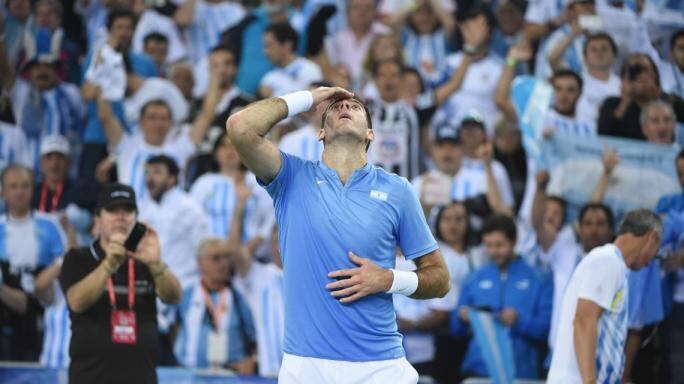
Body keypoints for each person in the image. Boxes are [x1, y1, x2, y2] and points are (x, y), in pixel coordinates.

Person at [226, 86, 450, 382]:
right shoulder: (290, 176)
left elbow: (440, 280)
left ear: (370, 134)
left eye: (355, 107)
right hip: (305, 366)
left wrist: (388, 279)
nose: (345, 107)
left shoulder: (398, 190)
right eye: (335, 108)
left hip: (380, 367)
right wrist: (311, 97)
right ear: (320, 133)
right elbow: (240, 127)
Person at [59, 183, 182, 384]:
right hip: (91, 378)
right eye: (113, 210)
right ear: (98, 218)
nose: (121, 216)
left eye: (128, 209)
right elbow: (77, 301)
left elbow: (174, 296)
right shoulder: (78, 258)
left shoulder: (145, 259)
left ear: (136, 217)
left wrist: (156, 264)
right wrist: (109, 264)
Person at [547, 209, 663, 383]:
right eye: (656, 250)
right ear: (651, 237)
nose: (649, 262)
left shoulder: (615, 265)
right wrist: (590, 381)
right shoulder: (607, 260)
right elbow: (584, 320)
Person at [450, 214, 552, 380]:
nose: (493, 251)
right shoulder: (474, 278)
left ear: (514, 241)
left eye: (499, 245)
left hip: (522, 374)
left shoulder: (539, 279)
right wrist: (462, 318)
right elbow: (455, 330)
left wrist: (519, 321)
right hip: (479, 372)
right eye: (488, 245)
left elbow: (546, 329)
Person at [0, 165, 66, 361]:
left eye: (25, 185)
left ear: (32, 190)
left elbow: (65, 262)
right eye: (13, 186)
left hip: (41, 307)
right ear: (3, 192)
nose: (20, 191)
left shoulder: (49, 224)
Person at [173, 238, 257, 372]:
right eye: (216, 258)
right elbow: (174, 328)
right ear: (199, 263)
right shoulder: (185, 296)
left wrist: (253, 361)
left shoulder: (240, 297)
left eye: (226, 258)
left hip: (231, 377)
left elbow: (256, 337)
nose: (223, 264)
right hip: (191, 376)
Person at [139, 155, 210, 288]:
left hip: (185, 283)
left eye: (157, 172)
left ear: (172, 179)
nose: (150, 177)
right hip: (151, 285)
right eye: (148, 172)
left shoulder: (189, 207)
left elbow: (202, 248)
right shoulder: (141, 209)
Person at [259, 22, 323, 98]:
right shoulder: (268, 78)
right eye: (265, 46)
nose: (265, 52)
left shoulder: (310, 70)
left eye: (269, 45)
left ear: (287, 45)